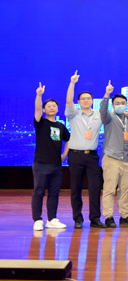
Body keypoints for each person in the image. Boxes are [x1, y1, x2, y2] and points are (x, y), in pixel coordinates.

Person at [64, 71, 106, 229]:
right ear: (79, 102)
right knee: (75, 188)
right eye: (83, 99)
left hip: (92, 157)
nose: (86, 100)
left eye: (88, 98)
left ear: (92, 101)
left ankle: (95, 219)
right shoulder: (73, 114)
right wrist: (72, 83)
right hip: (75, 156)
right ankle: (77, 218)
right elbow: (68, 101)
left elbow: (113, 115)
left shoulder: (99, 114)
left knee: (95, 188)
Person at [101, 80, 128, 227]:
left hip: (127, 160)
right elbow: (102, 111)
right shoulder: (109, 117)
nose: (120, 105)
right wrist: (107, 94)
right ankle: (109, 217)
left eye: (123, 103)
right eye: (117, 103)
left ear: (126, 104)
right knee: (109, 190)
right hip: (112, 159)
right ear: (113, 105)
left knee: (126, 190)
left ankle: (125, 215)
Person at [32, 82, 70, 231]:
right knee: (39, 192)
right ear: (44, 109)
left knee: (54, 193)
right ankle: (37, 220)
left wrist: (64, 154)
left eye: (54, 106)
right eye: (49, 106)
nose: (52, 107)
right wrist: (39, 95)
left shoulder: (60, 126)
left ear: (57, 109)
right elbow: (37, 109)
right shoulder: (40, 122)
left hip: (56, 165)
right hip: (41, 164)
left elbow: (69, 139)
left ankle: (52, 219)